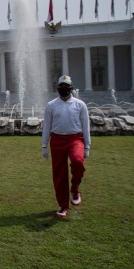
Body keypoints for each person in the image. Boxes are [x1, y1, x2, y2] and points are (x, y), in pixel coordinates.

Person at [41, 75, 91, 218]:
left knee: (77, 162)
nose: (64, 89)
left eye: (66, 86)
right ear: (57, 88)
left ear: (71, 88)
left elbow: (86, 126)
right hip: (57, 139)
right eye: (61, 86)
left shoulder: (80, 104)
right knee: (59, 174)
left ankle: (75, 188)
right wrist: (44, 145)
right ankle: (63, 206)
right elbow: (47, 126)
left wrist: (87, 146)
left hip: (75, 138)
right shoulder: (51, 105)